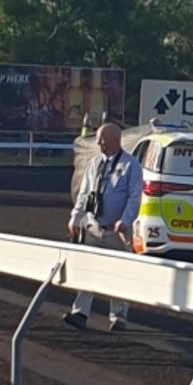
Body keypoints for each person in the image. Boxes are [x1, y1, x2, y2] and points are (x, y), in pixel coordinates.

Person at [64, 124, 143, 332]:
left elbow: (135, 198)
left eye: (103, 140)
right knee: (87, 270)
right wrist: (75, 218)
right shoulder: (94, 163)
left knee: (118, 275)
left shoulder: (131, 165)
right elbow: (84, 193)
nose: (99, 144)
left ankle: (119, 318)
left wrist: (125, 220)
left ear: (116, 141)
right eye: (99, 140)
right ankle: (80, 312)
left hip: (116, 231)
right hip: (93, 227)